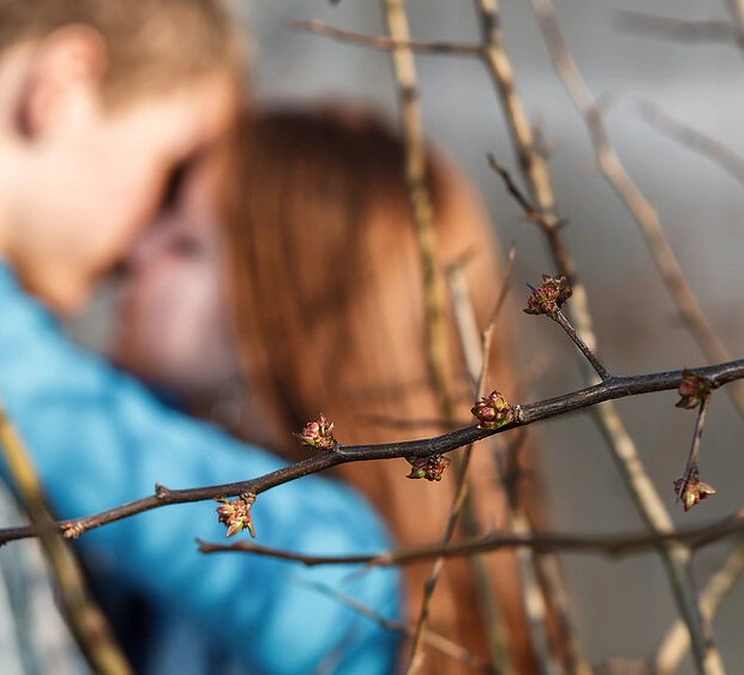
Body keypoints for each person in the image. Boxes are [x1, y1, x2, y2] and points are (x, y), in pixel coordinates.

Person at [0, 2, 401, 674]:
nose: (141, 246)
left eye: (188, 236)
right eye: (168, 173)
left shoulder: (329, 549)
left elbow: (46, 394)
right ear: (60, 86)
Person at [114, 106, 548, 674]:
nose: (137, 252)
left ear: (284, 315)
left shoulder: (338, 561)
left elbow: (52, 408)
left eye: (187, 245)